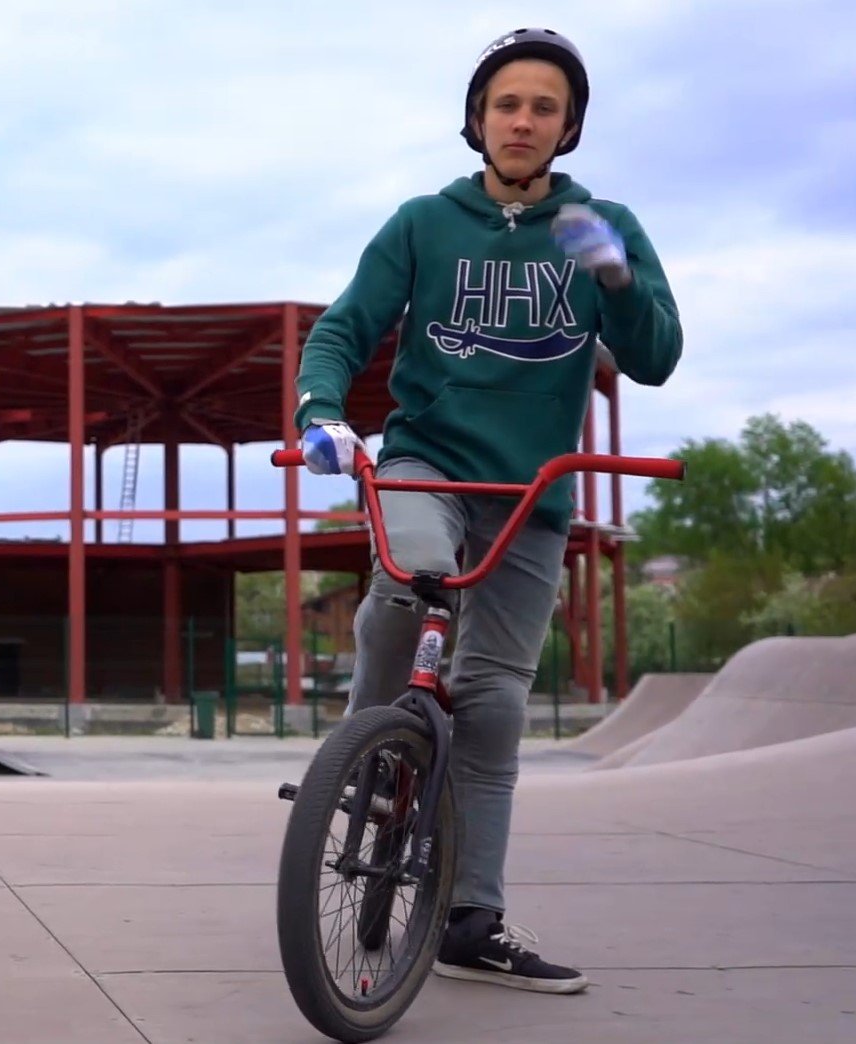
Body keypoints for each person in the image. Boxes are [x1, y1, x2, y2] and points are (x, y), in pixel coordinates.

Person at [292, 28, 681, 994]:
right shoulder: (424, 222)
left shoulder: (604, 224)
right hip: (431, 456)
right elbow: (345, 328)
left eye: (544, 107)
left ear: (569, 127)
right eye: (507, 104)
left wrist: (615, 278)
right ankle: (366, 745)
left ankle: (472, 915)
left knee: (497, 700)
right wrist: (320, 410)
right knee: (408, 576)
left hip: (534, 490)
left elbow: (657, 356)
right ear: (477, 119)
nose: (523, 121)